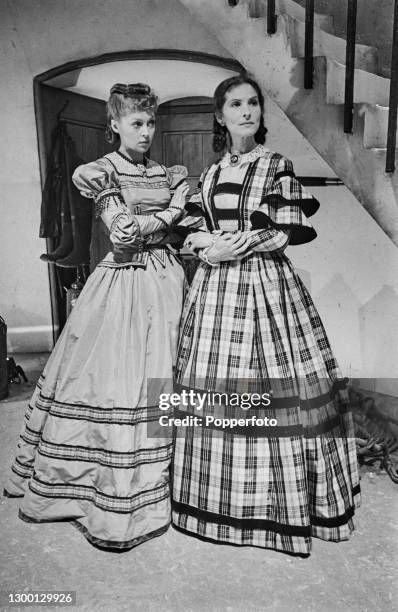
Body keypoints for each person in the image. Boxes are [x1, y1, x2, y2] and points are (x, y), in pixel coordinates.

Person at [171, 75, 360, 556]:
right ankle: (220, 504)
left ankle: (278, 507)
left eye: (253, 102)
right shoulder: (210, 173)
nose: (247, 111)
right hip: (215, 293)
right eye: (236, 104)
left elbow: (284, 230)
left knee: (279, 386)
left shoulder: (276, 165)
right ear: (220, 115)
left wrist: (233, 246)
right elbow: (191, 227)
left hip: (266, 288)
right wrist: (204, 246)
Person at [4, 82, 197, 551]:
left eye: (151, 122)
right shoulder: (101, 172)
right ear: (114, 125)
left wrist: (176, 215)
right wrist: (172, 210)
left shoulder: (165, 171)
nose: (146, 131)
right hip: (124, 281)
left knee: (169, 373)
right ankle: (104, 481)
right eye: (136, 122)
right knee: (116, 376)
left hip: (167, 280)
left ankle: (174, 479)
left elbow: (177, 231)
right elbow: (124, 234)